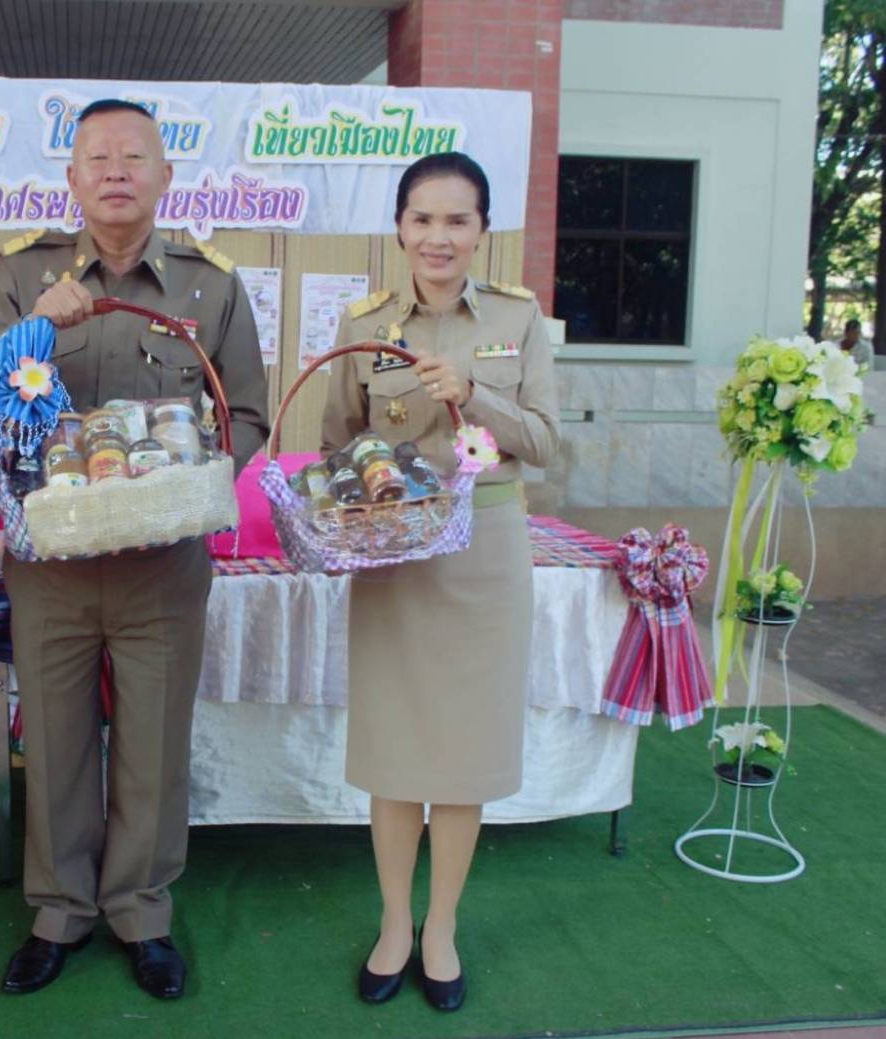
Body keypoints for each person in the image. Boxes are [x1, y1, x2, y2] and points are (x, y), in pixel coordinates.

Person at [0, 99, 269, 1000]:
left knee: (153, 744)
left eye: (136, 156)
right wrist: (35, 333)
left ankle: (140, 910)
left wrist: (191, 482)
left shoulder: (209, 287)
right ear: (73, 179)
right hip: (51, 561)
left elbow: (243, 411)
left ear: (167, 176)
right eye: (98, 157)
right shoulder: (20, 279)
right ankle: (57, 911)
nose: (117, 171)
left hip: (163, 563)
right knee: (51, 742)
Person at [320, 152, 559, 1011]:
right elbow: (334, 445)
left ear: (482, 232)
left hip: (486, 546)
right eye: (422, 218)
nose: (437, 236)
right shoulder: (363, 322)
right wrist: (361, 500)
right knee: (395, 748)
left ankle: (441, 928)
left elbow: (546, 441)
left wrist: (475, 399)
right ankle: (392, 923)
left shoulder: (518, 318)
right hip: (395, 551)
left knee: (460, 754)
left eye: (457, 220)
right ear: (398, 227)